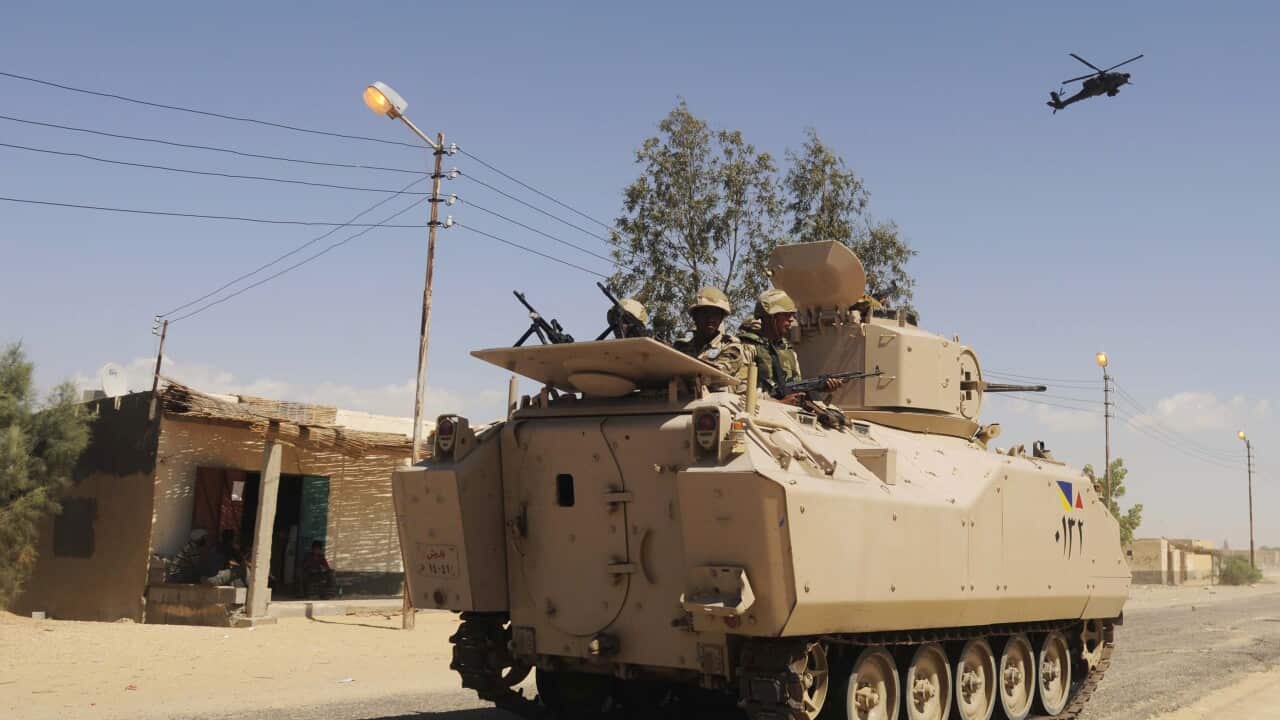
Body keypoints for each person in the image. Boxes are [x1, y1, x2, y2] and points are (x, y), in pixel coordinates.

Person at [739, 288, 843, 405]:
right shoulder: (747, 347)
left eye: (792, 315)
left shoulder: (788, 351)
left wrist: (820, 387)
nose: (791, 319)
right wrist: (778, 402)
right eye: (786, 315)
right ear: (771, 317)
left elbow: (794, 387)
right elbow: (739, 390)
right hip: (761, 412)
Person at [673, 286, 749, 384]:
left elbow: (717, 374)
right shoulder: (681, 346)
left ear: (721, 318)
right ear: (695, 316)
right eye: (705, 313)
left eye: (715, 314)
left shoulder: (731, 346)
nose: (711, 319)